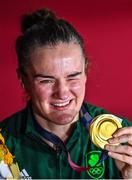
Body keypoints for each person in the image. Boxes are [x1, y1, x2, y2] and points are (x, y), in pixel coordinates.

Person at [0, 8, 132, 179]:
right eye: (46, 80)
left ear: (85, 72)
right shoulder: (3, 143)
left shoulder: (122, 138)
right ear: (23, 81)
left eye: (73, 77)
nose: (62, 93)